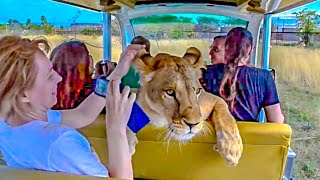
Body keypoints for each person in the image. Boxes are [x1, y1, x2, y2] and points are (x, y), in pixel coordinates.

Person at [0, 35, 145, 179]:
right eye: (49, 76)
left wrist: (116, 73)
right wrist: (116, 129)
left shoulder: (8, 123)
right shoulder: (60, 142)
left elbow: (83, 114)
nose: (59, 78)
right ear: (23, 95)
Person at [202, 27, 284, 123]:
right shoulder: (264, 77)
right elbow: (276, 121)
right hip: (250, 137)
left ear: (227, 47)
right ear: (250, 49)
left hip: (217, 135)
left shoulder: (207, 72)